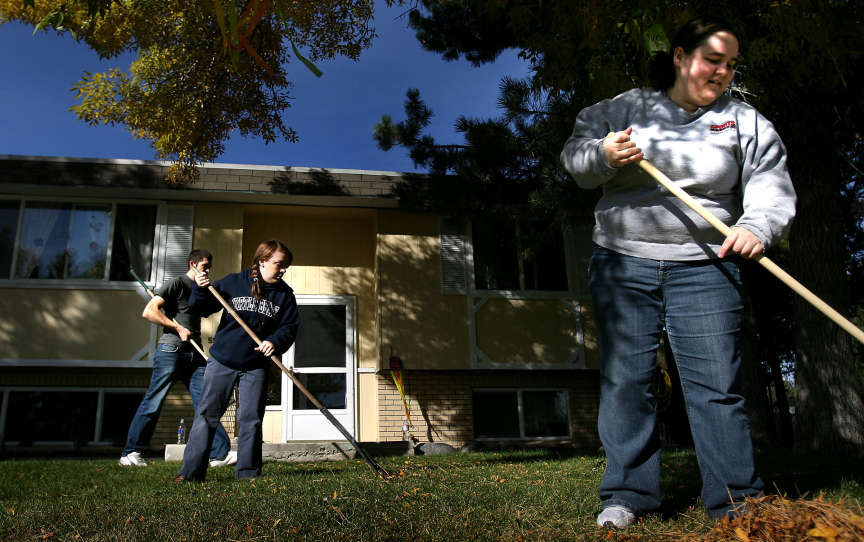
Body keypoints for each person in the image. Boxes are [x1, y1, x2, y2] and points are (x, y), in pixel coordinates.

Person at [560, 16, 796, 527]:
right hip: (623, 260)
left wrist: (757, 225)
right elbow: (577, 162)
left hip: (708, 266)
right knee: (628, 381)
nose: (722, 72)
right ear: (680, 56)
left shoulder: (745, 122)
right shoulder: (624, 109)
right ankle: (627, 497)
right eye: (713, 59)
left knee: (716, 385)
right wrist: (603, 154)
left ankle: (737, 504)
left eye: (731, 65)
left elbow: (770, 185)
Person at [174, 239, 300, 482]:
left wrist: (274, 341)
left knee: (251, 419)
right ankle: (190, 473)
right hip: (223, 360)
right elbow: (201, 307)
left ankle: (248, 474)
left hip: (255, 366)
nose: (283, 270)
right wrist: (200, 288)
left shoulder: (285, 295)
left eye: (286, 266)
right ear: (262, 261)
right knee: (207, 415)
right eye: (279, 264)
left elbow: (290, 327)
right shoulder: (234, 282)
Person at [120, 249, 235, 468]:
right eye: (204, 266)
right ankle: (131, 452)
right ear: (192, 263)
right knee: (154, 400)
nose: (208, 270)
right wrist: (176, 327)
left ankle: (219, 454)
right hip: (171, 351)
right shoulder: (177, 283)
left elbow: (205, 311)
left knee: (207, 403)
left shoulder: (199, 289)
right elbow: (149, 311)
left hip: (194, 353)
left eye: (210, 266)